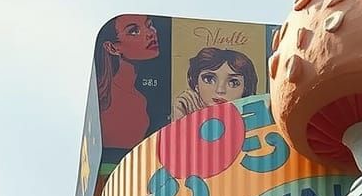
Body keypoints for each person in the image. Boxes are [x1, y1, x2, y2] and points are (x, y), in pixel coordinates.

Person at [95, 15, 162, 150]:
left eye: (149, 25)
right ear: (112, 48)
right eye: (134, 31)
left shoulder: (139, 97)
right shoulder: (109, 100)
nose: (150, 33)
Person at [172, 47, 259, 121]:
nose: (220, 90)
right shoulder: (186, 105)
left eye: (233, 83)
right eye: (209, 79)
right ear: (196, 84)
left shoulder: (255, 113)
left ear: (245, 88)